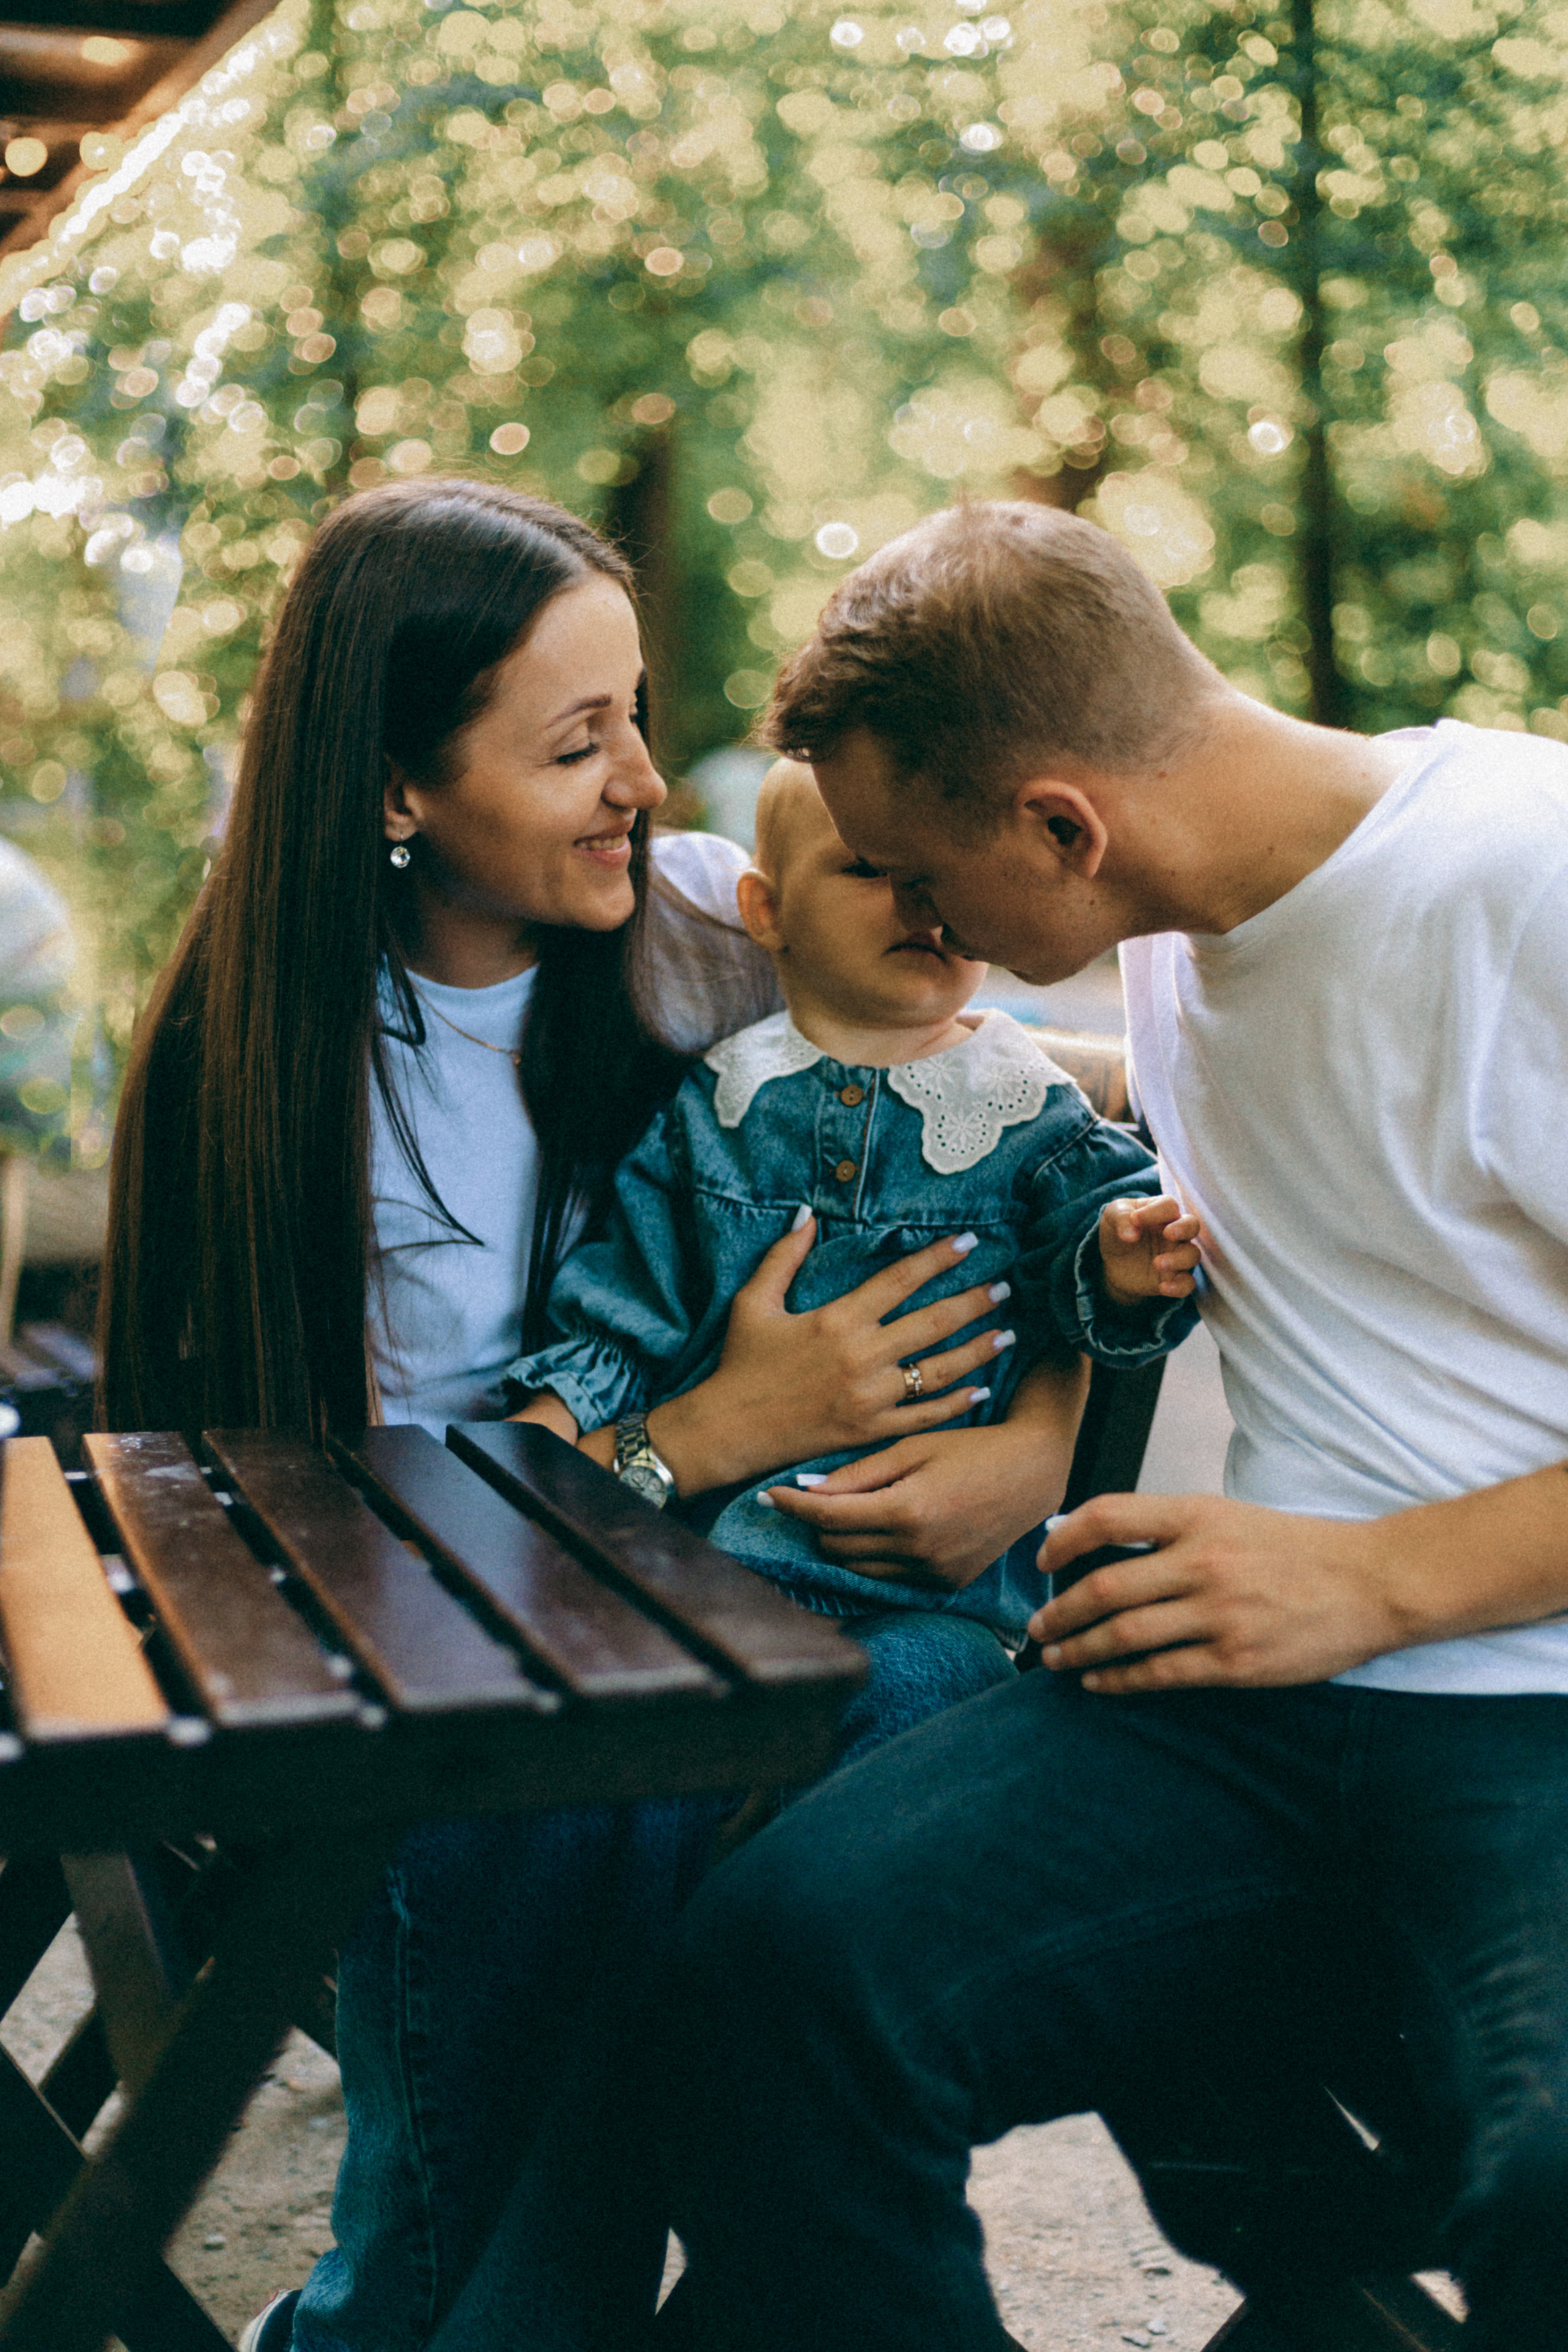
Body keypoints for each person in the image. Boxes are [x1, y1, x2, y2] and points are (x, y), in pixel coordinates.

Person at [99, 478, 1089, 2352]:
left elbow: (1041, 1114)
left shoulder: (711, 924)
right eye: (576, 745)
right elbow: (296, 1529)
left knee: (849, 1775)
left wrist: (1034, 1440)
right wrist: (709, 1431)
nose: (643, 779)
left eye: (635, 713)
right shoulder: (278, 1056)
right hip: (430, 1638)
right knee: (570, 1813)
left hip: (751, 1610)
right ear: (397, 791)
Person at [655, 500, 1568, 2352]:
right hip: (1244, 1708)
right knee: (776, 1973)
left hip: (1527, 1704)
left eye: (923, 878)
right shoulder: (1172, 915)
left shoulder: (1525, 887)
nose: (924, 927)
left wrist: (1374, 1582)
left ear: (1063, 829)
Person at [508, 761, 1197, 1764]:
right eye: (871, 869)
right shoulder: (716, 1108)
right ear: (767, 911)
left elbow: (1084, 1280)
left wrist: (1123, 1269)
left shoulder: (1031, 1110)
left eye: (942, 873)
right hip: (705, 1569)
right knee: (605, 1729)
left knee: (932, 1692)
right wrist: (548, 1441)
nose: (920, 905)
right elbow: (629, 1306)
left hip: (925, 1593)